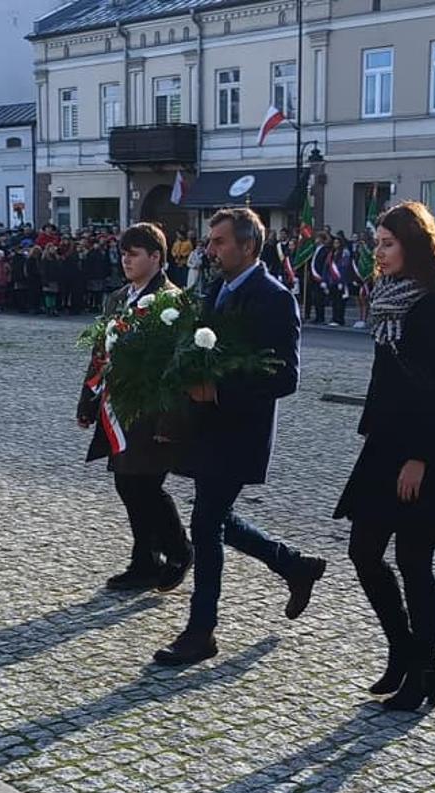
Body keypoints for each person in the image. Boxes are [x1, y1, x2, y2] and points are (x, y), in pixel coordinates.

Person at [153, 207, 327, 667]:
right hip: (207, 428)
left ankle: (200, 631)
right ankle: (292, 564)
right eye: (210, 241)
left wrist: (218, 388)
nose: (209, 250)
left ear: (249, 246)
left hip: (239, 431)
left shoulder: (273, 297)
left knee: (207, 524)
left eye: (219, 242)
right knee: (215, 519)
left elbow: (285, 377)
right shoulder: (216, 289)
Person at [335, 201, 435, 713]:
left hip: (426, 450)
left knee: (414, 561)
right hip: (385, 444)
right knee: (364, 551)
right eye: (377, 245)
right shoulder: (387, 299)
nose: (380, 254)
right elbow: (386, 380)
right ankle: (402, 651)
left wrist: (419, 457)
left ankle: (425, 670)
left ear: (414, 245)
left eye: (388, 244)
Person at [77, 223, 194, 592]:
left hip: (153, 410)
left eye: (135, 253)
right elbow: (101, 353)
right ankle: (145, 561)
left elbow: (179, 367)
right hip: (119, 409)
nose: (126, 259)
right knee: (128, 485)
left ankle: (179, 548)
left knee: (144, 486)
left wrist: (169, 420)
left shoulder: (173, 301)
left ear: (156, 258)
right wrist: (88, 401)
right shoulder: (117, 298)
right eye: (123, 253)